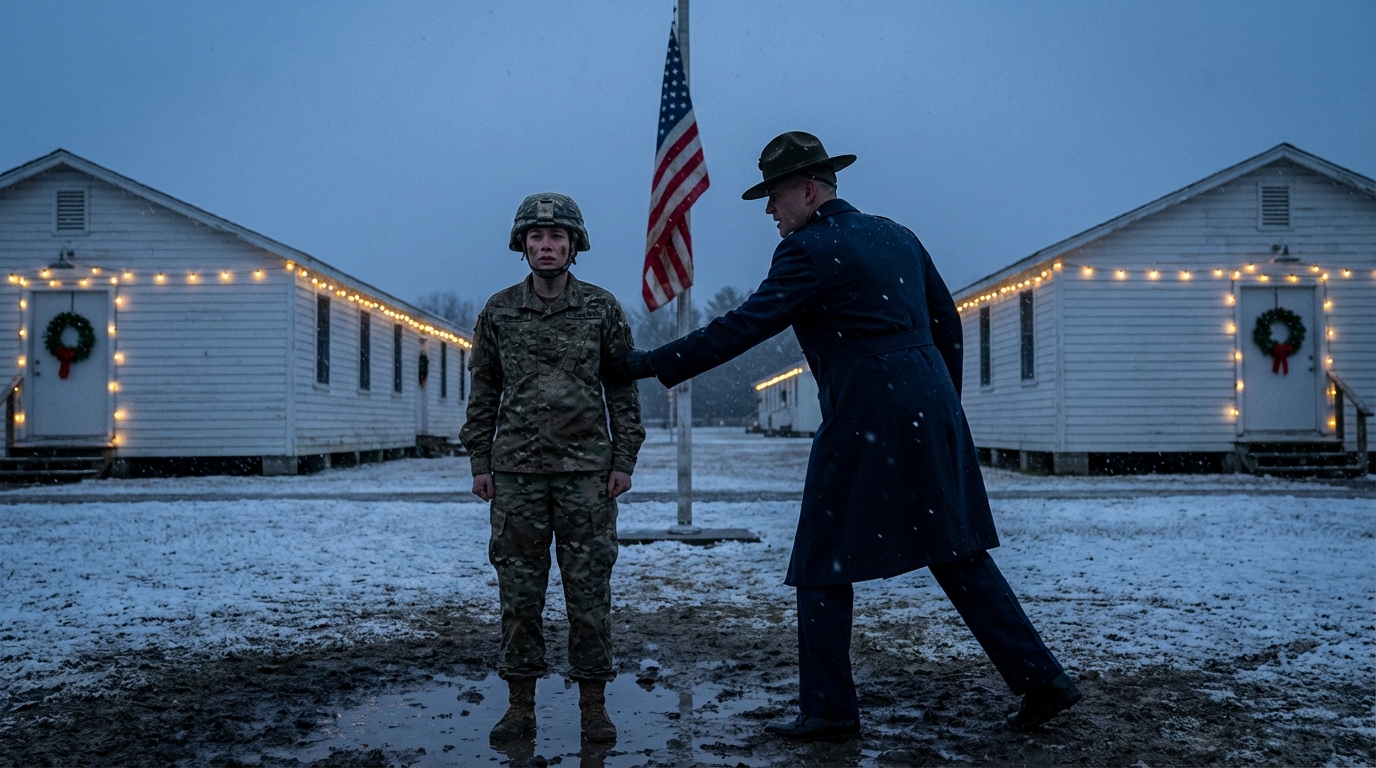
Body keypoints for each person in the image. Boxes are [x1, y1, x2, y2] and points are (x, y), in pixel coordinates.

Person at [608, 132, 1081, 741]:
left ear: (808, 189)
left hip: (868, 409)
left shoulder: (809, 250)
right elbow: (947, 323)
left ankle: (829, 709)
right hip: (927, 401)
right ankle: (1042, 679)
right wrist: (941, 404)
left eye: (775, 196)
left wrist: (647, 364)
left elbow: (742, 328)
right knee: (955, 548)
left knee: (821, 558)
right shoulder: (897, 235)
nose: (769, 212)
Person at [460, 193, 645, 744]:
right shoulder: (498, 312)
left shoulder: (602, 308)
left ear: (574, 246)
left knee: (589, 594)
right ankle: (520, 705)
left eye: (557, 238)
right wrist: (479, 460)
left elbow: (622, 389)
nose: (547, 246)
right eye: (537, 238)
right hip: (515, 473)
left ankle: (593, 705)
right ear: (522, 245)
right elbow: (484, 391)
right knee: (519, 596)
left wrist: (624, 458)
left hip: (587, 474)